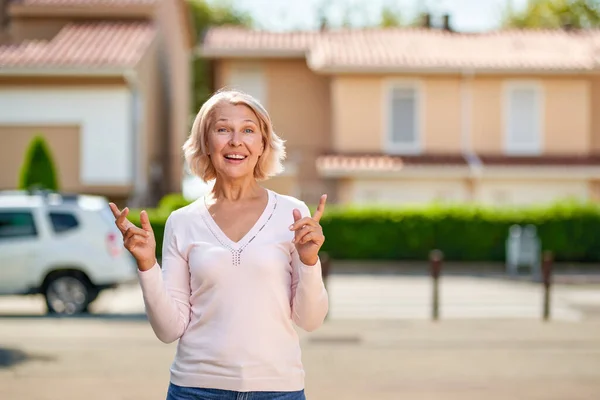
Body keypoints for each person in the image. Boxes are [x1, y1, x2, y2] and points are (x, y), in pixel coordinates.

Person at [109, 88, 329, 400]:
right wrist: (147, 264)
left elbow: (310, 320)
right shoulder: (182, 222)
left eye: (248, 130)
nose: (236, 141)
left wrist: (309, 262)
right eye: (223, 129)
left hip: (278, 390)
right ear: (206, 143)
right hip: (195, 389)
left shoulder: (292, 215)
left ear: (263, 144)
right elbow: (169, 329)